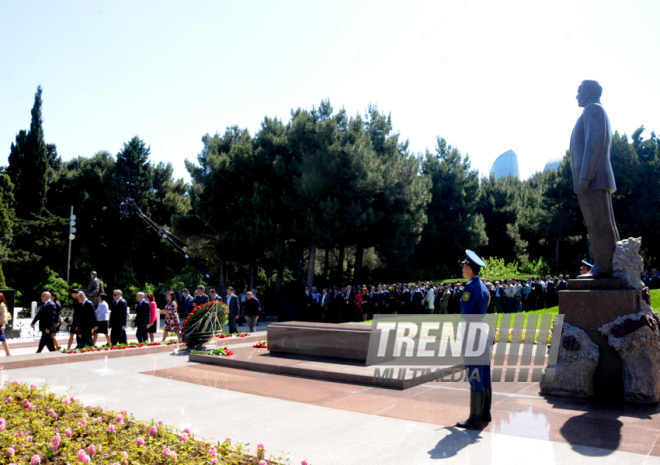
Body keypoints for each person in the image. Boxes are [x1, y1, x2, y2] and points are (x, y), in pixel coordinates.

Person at [570, 80, 620, 278]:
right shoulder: (595, 110)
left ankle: (603, 266)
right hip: (595, 179)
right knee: (603, 223)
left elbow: (594, 144)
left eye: (579, 91)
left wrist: (585, 177)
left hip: (592, 180)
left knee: (598, 224)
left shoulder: (593, 109)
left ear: (589, 91)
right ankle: (610, 264)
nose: (576, 96)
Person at [456, 250, 491, 429]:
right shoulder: (484, 287)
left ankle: (475, 419)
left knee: (475, 375)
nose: (463, 268)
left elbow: (465, 316)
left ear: (469, 268)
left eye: (464, 265)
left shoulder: (470, 287)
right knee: (484, 375)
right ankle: (486, 413)